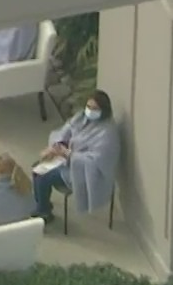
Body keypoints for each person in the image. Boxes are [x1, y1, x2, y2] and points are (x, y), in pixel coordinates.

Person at [33, 91, 121, 223]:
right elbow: (66, 131)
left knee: (43, 175)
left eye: (95, 108)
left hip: (82, 172)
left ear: (104, 110)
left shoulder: (107, 133)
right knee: (37, 167)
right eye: (89, 107)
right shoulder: (81, 117)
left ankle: (43, 212)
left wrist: (69, 154)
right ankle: (43, 205)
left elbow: (96, 161)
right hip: (66, 160)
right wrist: (56, 147)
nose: (90, 111)